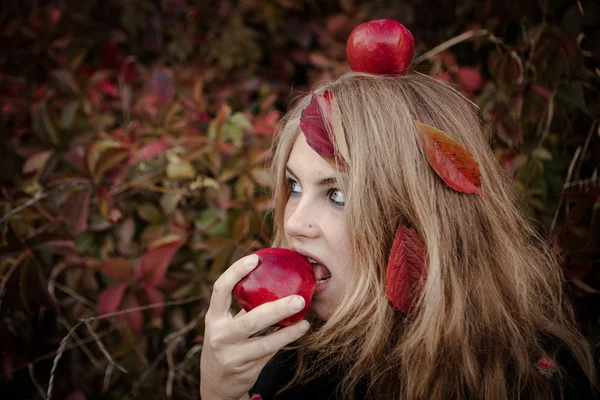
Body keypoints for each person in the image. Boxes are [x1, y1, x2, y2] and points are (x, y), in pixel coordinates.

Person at [200, 26, 598, 400]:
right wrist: (219, 393)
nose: (292, 223)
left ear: (423, 218)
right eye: (295, 186)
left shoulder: (532, 379)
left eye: (337, 195)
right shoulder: (282, 360)